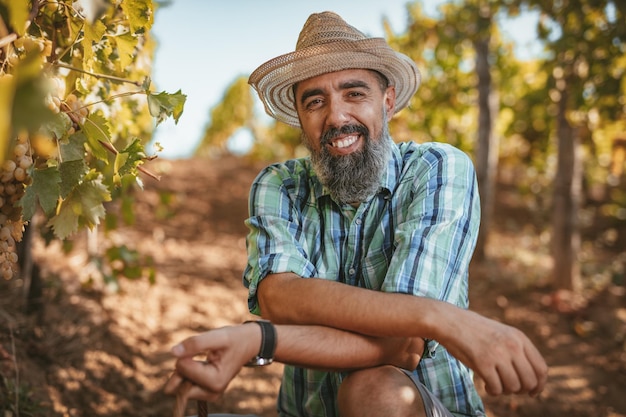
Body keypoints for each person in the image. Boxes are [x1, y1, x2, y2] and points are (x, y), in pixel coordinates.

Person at [164, 11, 548, 417]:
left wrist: (260, 340)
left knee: (377, 391)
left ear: (387, 101)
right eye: (315, 101)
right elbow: (278, 295)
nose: (336, 116)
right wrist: (441, 319)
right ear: (301, 119)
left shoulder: (437, 169)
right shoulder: (279, 185)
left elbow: (403, 346)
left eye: (354, 93)